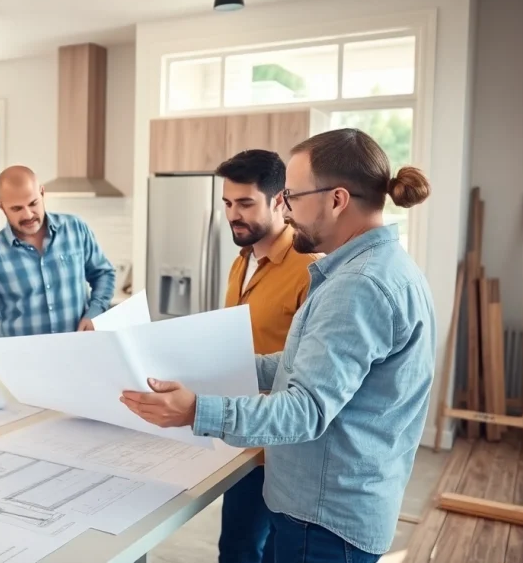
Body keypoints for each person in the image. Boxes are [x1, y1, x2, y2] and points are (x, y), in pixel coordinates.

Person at [120, 128, 436, 563]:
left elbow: (305, 409)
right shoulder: (381, 267)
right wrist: (206, 367)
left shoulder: (358, 287)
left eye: (292, 196)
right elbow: (299, 364)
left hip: (325, 520)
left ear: (337, 200)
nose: (285, 211)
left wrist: (196, 410)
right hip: (337, 506)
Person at [213, 149, 321, 563]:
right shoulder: (243, 260)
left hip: (280, 446)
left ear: (279, 200)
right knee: (237, 549)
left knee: (267, 552)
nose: (232, 215)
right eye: (227, 203)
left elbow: (307, 366)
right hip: (242, 436)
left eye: (245, 204)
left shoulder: (310, 267)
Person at [0, 165, 116, 377]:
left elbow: (103, 273)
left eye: (33, 203)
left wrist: (95, 312)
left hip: (80, 361)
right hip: (21, 371)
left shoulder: (76, 229)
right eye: (17, 208)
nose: (28, 214)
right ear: (1, 205)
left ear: (42, 192)